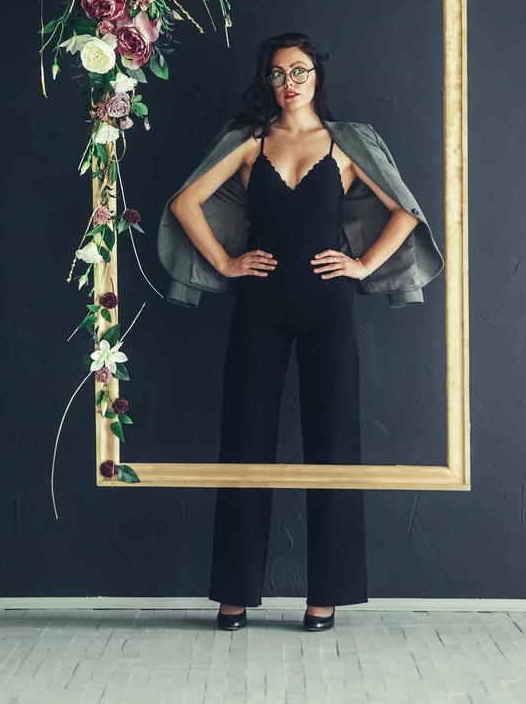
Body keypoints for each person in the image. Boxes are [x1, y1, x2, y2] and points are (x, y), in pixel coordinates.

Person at [168, 32, 433, 632]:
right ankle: (233, 595)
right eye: (279, 73)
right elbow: (185, 203)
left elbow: (406, 212)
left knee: (334, 445)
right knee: (244, 442)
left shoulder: (347, 145)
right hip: (258, 305)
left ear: (318, 76)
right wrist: (228, 263)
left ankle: (326, 597)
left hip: (327, 307)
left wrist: (362, 266)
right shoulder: (247, 143)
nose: (290, 83)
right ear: (268, 81)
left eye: (301, 71)